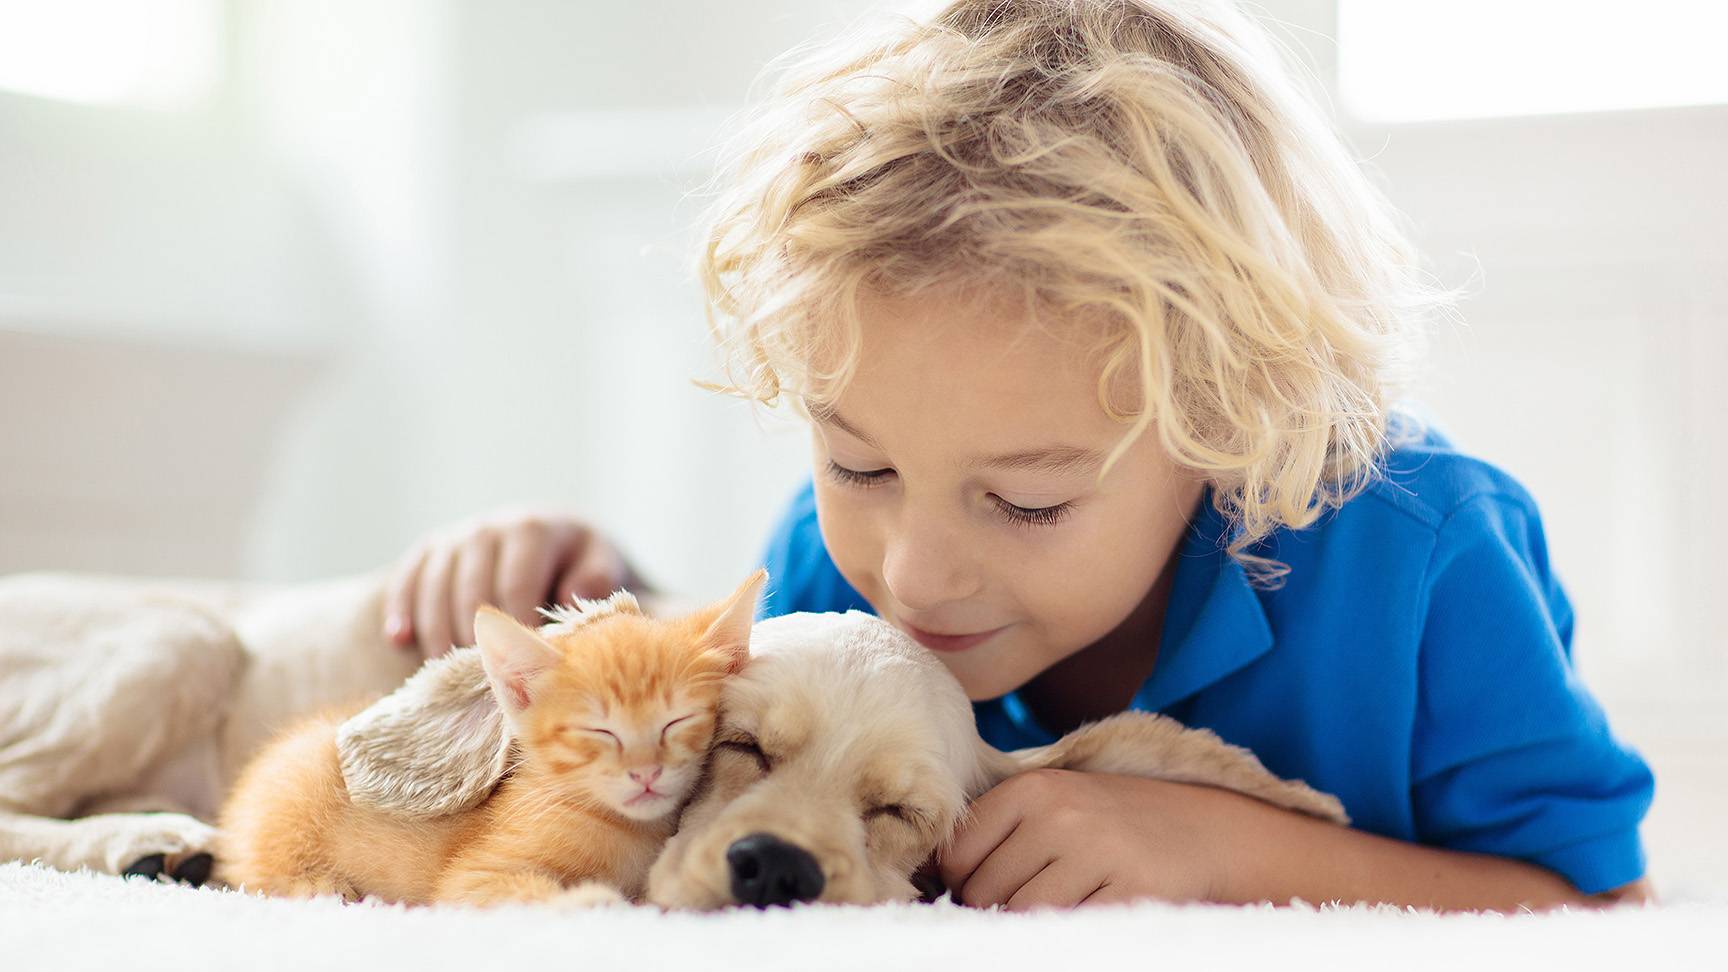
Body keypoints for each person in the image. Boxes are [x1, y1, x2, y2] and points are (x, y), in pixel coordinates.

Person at [381, 0, 1652, 911]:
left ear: (1226, 431)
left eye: (1027, 501)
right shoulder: (833, 571)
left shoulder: (1428, 559)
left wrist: (1220, 852)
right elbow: (729, 749)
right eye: (860, 467)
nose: (913, 575)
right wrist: (595, 588)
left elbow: (1596, 902)